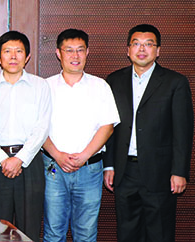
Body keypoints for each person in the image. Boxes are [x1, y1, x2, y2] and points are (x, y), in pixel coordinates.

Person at [104, 24, 193, 242]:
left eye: (148, 44)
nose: (141, 49)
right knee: (127, 232)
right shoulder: (114, 81)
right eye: (136, 44)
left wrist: (179, 171)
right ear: (128, 50)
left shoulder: (175, 82)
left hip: (160, 173)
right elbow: (109, 127)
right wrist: (109, 165)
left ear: (158, 50)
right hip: (124, 172)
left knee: (159, 233)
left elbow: (183, 131)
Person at [41, 29, 119, 242]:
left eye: (80, 50)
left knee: (85, 233)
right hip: (53, 168)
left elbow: (107, 127)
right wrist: (57, 154)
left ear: (87, 52)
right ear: (58, 53)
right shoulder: (45, 87)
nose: (75, 56)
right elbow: (38, 129)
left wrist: (84, 155)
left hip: (90, 169)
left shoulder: (100, 86)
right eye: (69, 50)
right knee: (53, 231)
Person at [0, 31, 51, 242]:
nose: (13, 56)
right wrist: (3, 160)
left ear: (27, 56)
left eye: (19, 51)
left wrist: (19, 158)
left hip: (29, 164)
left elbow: (42, 127)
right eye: (7, 51)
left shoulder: (40, 86)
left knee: (29, 227)